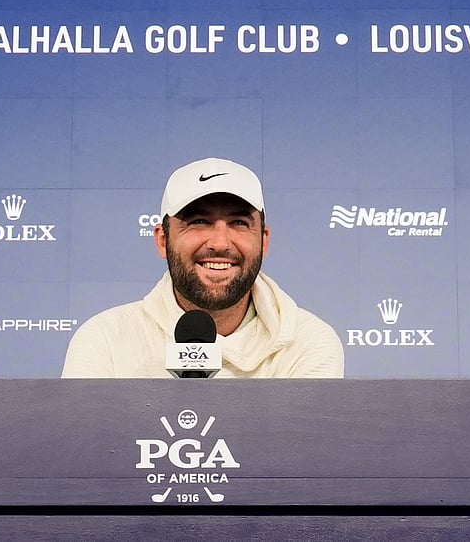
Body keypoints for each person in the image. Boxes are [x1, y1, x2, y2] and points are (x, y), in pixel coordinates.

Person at [62, 157, 344, 378]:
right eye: (198, 221)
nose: (220, 242)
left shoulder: (307, 342)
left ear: (264, 241)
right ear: (163, 240)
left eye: (239, 223)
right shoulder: (106, 339)